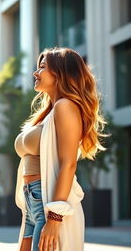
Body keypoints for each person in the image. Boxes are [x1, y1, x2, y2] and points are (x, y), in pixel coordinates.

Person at [15, 47, 106, 251]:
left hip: (49, 203)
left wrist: (55, 217)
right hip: (33, 201)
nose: (35, 73)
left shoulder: (65, 106)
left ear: (60, 73)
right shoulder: (49, 112)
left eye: (42, 67)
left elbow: (69, 163)